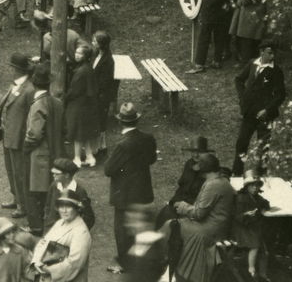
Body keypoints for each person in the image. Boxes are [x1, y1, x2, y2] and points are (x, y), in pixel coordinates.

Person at [103, 103, 156, 273]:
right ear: (137, 120)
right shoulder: (148, 138)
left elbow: (108, 170)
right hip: (143, 190)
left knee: (122, 231)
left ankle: (125, 263)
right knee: (141, 226)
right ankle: (142, 260)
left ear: (120, 122)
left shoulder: (123, 145)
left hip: (125, 194)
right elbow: (151, 159)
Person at [169, 153, 235, 282]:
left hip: (210, 229)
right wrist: (188, 207)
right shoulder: (221, 180)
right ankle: (180, 268)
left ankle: (182, 271)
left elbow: (199, 214)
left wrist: (182, 207)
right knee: (176, 225)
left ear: (204, 170)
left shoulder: (213, 184)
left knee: (173, 226)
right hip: (218, 225)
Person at [232, 41, 285, 175]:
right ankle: (236, 174)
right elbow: (238, 79)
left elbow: (280, 95)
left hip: (264, 116)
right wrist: (242, 97)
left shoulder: (276, 71)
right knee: (242, 143)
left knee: (263, 147)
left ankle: (261, 176)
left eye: (273, 53)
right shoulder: (252, 64)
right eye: (269, 53)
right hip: (249, 113)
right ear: (261, 52)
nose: (272, 56)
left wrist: (267, 110)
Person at [0, 54, 36, 219]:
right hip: (8, 134)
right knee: (10, 169)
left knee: (20, 172)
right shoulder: (16, 85)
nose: (10, 70)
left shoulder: (29, 89)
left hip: (18, 138)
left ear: (18, 70)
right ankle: (15, 198)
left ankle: (23, 205)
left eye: (12, 67)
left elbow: (31, 116)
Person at [22, 66, 56, 233]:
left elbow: (35, 133)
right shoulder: (55, 101)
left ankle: (36, 225)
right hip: (51, 151)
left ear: (34, 84)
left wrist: (26, 147)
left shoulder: (38, 105)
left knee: (35, 190)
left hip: (39, 154)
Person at [32, 190, 91, 282]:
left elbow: (74, 263)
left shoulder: (81, 232)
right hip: (46, 274)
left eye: (68, 206)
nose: (64, 210)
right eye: (61, 206)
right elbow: (43, 242)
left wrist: (48, 270)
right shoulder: (60, 223)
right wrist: (36, 261)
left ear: (77, 208)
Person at [64, 44, 99, 167]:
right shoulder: (87, 68)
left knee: (77, 133)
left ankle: (77, 158)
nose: (77, 55)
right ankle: (90, 157)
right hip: (86, 105)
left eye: (80, 53)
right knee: (84, 133)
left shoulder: (81, 72)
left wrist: (65, 98)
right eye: (76, 52)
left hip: (78, 105)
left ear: (86, 56)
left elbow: (74, 91)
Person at [233, 170, 271, 281]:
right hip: (240, 227)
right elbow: (236, 216)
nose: (255, 188)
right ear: (247, 186)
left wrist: (263, 207)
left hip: (251, 226)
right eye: (252, 186)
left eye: (257, 186)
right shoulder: (241, 198)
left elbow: (266, 202)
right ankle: (251, 269)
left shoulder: (256, 197)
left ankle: (263, 274)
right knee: (255, 245)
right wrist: (245, 214)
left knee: (263, 248)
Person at [42, 159, 96, 231]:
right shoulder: (54, 185)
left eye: (57, 174)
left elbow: (89, 217)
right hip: (52, 229)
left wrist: (78, 231)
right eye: (53, 173)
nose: (53, 175)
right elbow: (48, 206)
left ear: (67, 175)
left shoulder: (79, 192)